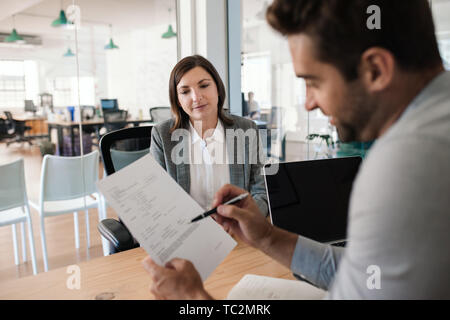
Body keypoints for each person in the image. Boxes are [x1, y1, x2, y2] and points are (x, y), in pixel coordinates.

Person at [142, 0, 450, 299]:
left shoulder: (406, 166)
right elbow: (367, 274)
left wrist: (193, 297)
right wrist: (266, 236)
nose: (308, 102)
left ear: (376, 69)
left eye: (312, 81)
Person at [150, 55, 268, 215]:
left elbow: (262, 192)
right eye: (185, 91)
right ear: (178, 100)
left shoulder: (247, 130)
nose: (196, 97)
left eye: (204, 86)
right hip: (188, 232)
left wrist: (242, 219)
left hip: (237, 230)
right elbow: (159, 198)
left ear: (218, 89)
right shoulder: (162, 135)